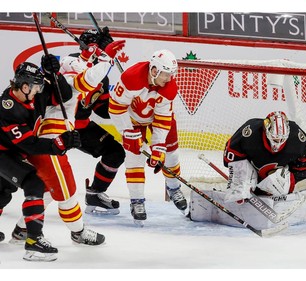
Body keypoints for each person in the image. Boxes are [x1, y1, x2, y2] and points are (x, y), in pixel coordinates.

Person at [8, 56, 105, 251]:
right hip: (49, 147)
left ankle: (22, 229)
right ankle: (78, 232)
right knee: (66, 191)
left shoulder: (49, 85)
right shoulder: (67, 82)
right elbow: (91, 78)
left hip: (48, 144)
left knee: (48, 190)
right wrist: (108, 59)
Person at [0, 59, 81, 261]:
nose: (39, 90)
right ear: (24, 86)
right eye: (36, 86)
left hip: (13, 152)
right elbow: (30, 145)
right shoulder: (7, 109)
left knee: (3, 190)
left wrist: (53, 73)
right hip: (3, 153)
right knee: (34, 183)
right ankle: (34, 242)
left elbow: (65, 94)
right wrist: (58, 145)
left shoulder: (34, 95)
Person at [108, 49, 187, 225]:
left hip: (156, 118)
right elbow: (115, 107)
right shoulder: (131, 78)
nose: (169, 79)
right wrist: (127, 132)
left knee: (171, 153)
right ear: (154, 71)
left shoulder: (169, 86)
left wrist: (158, 146)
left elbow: (162, 118)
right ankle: (137, 201)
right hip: (132, 120)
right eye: (166, 75)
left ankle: (174, 187)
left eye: (171, 74)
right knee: (134, 158)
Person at [59, 28, 126, 215]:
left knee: (115, 152)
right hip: (57, 125)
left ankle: (95, 193)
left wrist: (124, 106)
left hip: (80, 126)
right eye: (100, 48)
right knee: (32, 164)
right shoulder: (71, 62)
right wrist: (104, 59)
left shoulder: (102, 74)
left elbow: (102, 109)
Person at [223, 111, 306, 203]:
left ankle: (278, 198)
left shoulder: (297, 137)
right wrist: (240, 180)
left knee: (280, 181)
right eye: (274, 138)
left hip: (278, 176)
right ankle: (243, 189)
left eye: (282, 139)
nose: (278, 143)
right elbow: (231, 155)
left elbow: (305, 165)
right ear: (266, 130)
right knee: (240, 185)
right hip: (251, 172)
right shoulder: (251, 132)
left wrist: (290, 181)